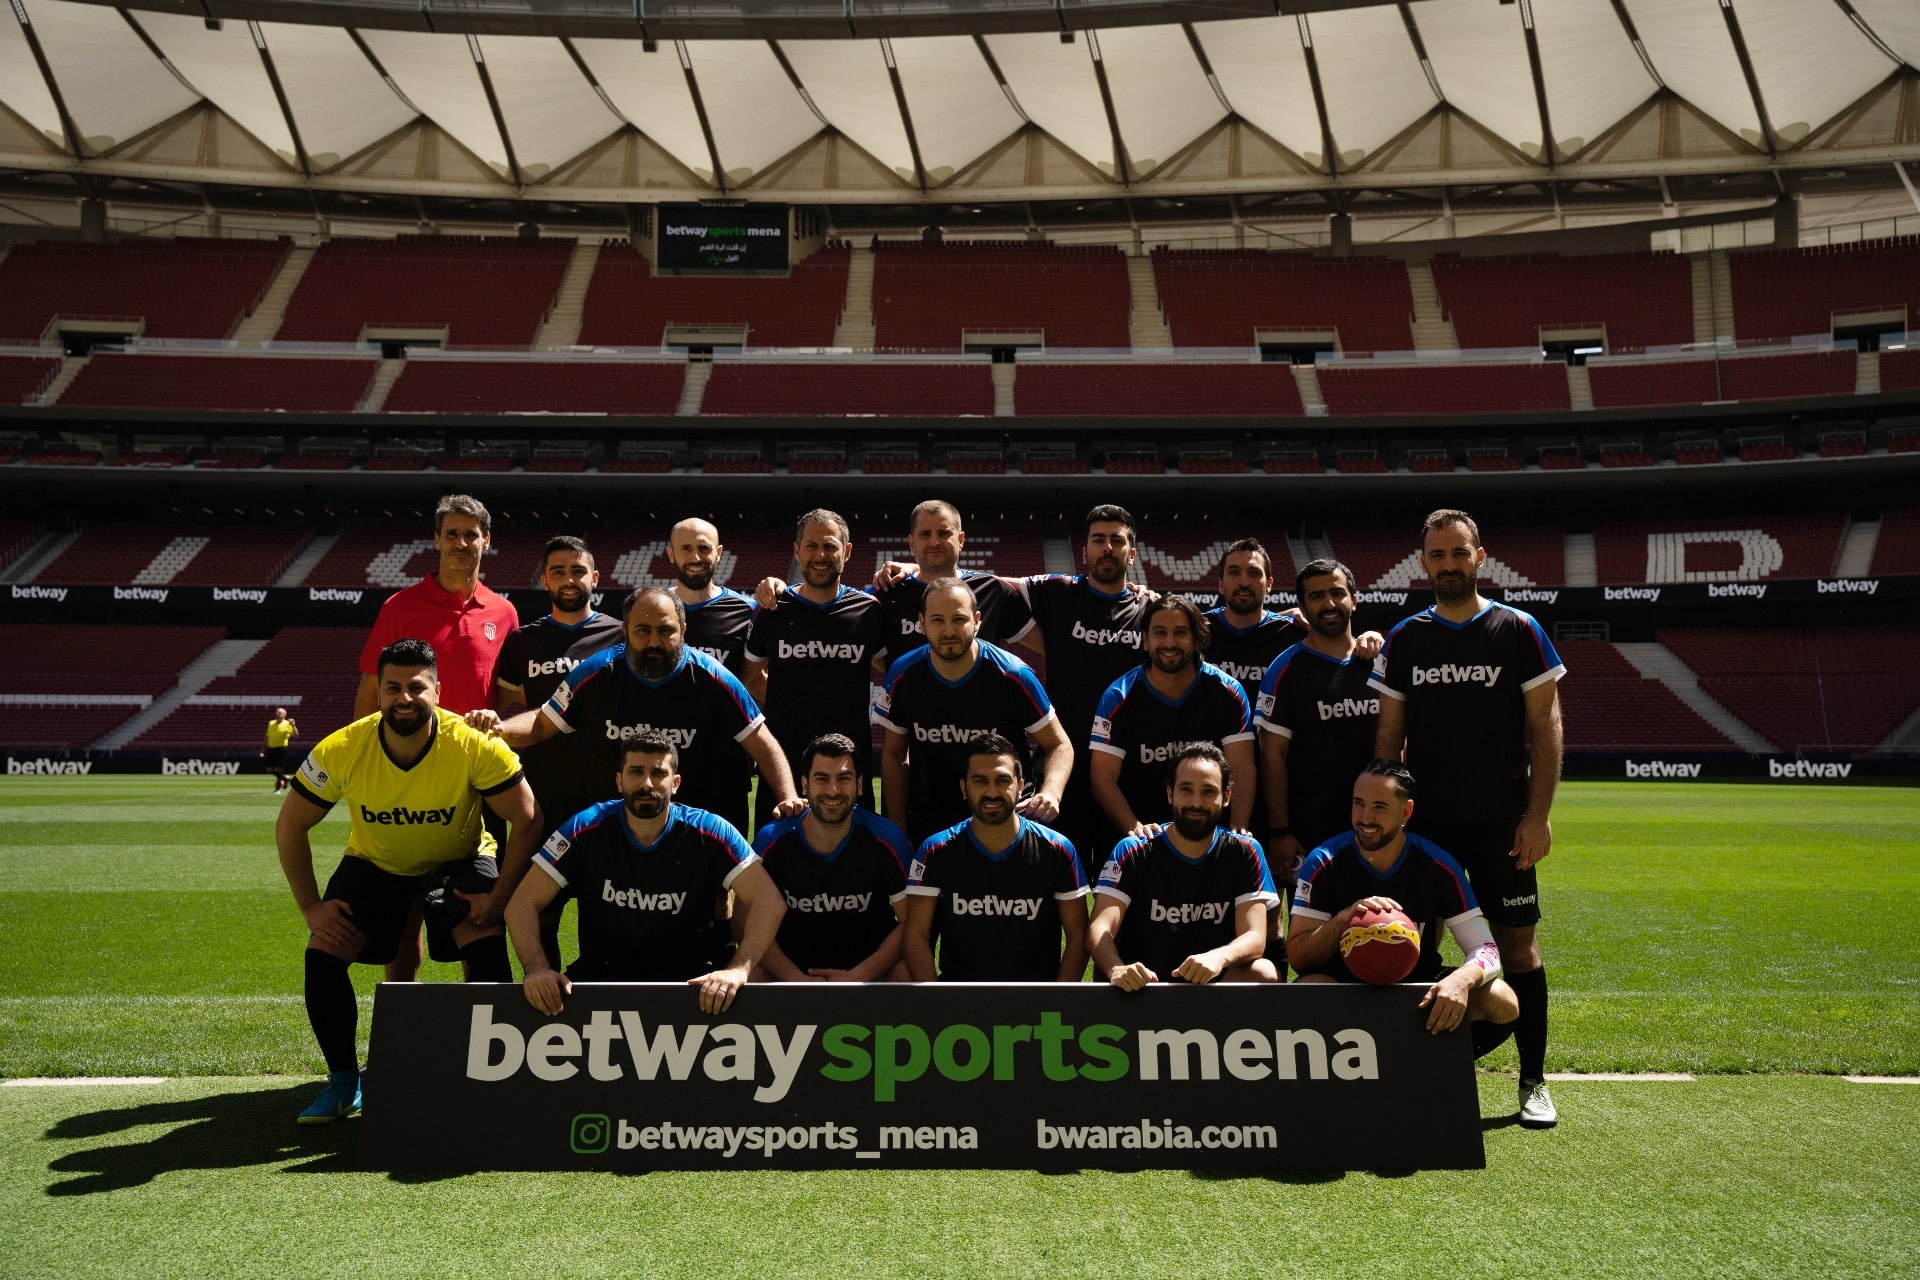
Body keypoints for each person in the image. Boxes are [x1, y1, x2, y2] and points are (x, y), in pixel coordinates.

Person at [277, 638, 541, 1124]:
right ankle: (343, 1082)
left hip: (459, 861)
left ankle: (490, 1078)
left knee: (485, 945)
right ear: (378, 692)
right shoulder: (342, 748)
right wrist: (311, 907)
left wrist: (500, 900)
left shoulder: (472, 743)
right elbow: (290, 825)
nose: (404, 698)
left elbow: (528, 818)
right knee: (323, 955)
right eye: (393, 687)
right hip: (376, 864)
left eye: (417, 687)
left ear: (437, 691)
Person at [1370, 508, 1565, 1128]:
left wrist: (1537, 816)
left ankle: (1533, 1082)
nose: (1448, 564)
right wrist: (1387, 819)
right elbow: (1389, 738)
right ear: (1423, 563)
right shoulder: (1406, 637)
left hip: (1502, 825)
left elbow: (1546, 726)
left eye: (1459, 553)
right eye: (1437, 555)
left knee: (1518, 949)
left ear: (1480, 557)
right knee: (1408, 945)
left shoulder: (1519, 629)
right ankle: (1410, 1072)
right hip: (1426, 828)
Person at [469, 586, 802, 833]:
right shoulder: (596, 673)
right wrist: (500, 728)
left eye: (665, 630)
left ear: (683, 631)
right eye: (643, 631)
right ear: (625, 631)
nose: (654, 642)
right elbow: (543, 723)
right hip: (612, 824)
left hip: (690, 824)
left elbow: (762, 743)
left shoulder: (714, 678)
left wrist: (787, 796)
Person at [353, 494, 519, 982]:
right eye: (452, 534)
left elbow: (507, 698)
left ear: (486, 541)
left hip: (478, 779)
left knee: (475, 914)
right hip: (407, 775)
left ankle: (477, 1026)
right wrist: (368, 767)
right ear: (436, 540)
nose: (461, 543)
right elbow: (370, 693)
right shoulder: (400, 607)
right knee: (402, 919)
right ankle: (405, 1021)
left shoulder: (504, 612)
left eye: (471, 534)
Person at [503, 732, 784, 1017]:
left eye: (658, 773)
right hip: (601, 983)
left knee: (754, 984)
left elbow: (768, 900)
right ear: (619, 781)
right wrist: (537, 968)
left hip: (693, 988)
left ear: (675, 784)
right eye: (636, 772)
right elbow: (521, 904)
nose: (647, 783)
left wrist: (739, 968)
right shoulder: (583, 828)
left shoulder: (710, 830)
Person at [1288, 759, 1520, 1055]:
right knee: (1306, 991)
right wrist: (1345, 918)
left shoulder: (1438, 865)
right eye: (1358, 804)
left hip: (1417, 991)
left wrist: (1461, 980)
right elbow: (1299, 959)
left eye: (1379, 807)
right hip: (1345, 991)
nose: (1365, 817)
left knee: (1501, 999)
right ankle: (1345, 1072)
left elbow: (1486, 948)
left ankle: (1434, 1065)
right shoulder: (1324, 861)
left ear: (1406, 811)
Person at [491, 535, 622, 967]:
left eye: (578, 571)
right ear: (544, 580)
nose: (569, 579)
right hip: (544, 794)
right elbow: (503, 706)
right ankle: (547, 989)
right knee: (541, 909)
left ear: (595, 578)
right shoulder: (522, 642)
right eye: (559, 572)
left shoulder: (620, 636)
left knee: (604, 909)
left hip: (605, 795)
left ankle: (595, 993)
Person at [872, 576, 1072, 847]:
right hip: (932, 822)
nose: (949, 631)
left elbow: (1059, 744)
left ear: (977, 620)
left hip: (1006, 818)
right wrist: (897, 822)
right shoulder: (902, 674)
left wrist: (1051, 792)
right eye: (937, 620)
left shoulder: (1014, 675)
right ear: (922, 622)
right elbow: (895, 753)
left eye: (959, 619)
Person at [1013, 504, 1158, 870]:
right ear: (1084, 551)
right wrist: (917, 570)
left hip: (1129, 775)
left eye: (1116, 540)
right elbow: (986, 584)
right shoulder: (1057, 593)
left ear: (1132, 553)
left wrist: (1287, 616)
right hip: (1063, 770)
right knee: (1058, 881)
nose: (1107, 548)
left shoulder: (1152, 612)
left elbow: (1214, 626)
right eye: (1098, 540)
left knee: (1129, 881)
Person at [1089, 743, 1280, 989]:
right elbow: (1100, 927)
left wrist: (1218, 957)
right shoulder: (1132, 850)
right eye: (1186, 789)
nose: (1196, 802)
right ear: (1170, 794)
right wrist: (1117, 968)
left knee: (1264, 972)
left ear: (1226, 797)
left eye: (1209, 791)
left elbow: (1254, 937)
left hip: (1210, 985)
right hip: (1143, 986)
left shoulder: (1245, 851)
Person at [903, 734, 1089, 981]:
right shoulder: (935, 851)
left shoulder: (1057, 850)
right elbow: (915, 934)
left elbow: (1078, 935)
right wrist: (938, 999)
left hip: (1035, 999)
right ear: (964, 788)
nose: (992, 792)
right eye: (980, 781)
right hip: (959, 1000)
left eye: (1002, 780)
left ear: (1020, 786)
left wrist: (1057, 998)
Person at [744, 509, 888, 829]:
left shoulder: (868, 611)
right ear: (797, 551)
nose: (820, 555)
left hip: (849, 768)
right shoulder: (773, 609)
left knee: (854, 856)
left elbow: (891, 669)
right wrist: (794, 697)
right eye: (811, 546)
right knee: (777, 854)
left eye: (830, 546)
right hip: (783, 768)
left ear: (847, 551)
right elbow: (749, 677)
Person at [750, 733, 913, 981]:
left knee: (905, 973)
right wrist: (795, 979)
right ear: (805, 785)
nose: (833, 790)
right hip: (793, 968)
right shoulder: (772, 840)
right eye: (822, 779)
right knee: (752, 977)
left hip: (867, 968)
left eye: (844, 778)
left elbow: (911, 923)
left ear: (860, 785)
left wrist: (859, 976)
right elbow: (744, 922)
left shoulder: (887, 839)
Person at [1089, 594, 1257, 837]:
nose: (1169, 642)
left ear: (1196, 639)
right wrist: (1134, 827)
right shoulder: (1118, 697)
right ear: (1145, 640)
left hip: (1211, 834)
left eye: (1180, 632)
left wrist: (1238, 828)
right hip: (1143, 835)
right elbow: (1102, 779)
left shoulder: (1228, 692)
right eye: (1160, 632)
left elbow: (1241, 769)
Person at [1256, 557, 1380, 881]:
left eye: (1337, 593)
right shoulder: (1284, 670)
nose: (1329, 604)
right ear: (1302, 606)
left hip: (1377, 825)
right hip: (1309, 831)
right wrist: (1280, 830)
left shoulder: (1380, 664)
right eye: (1317, 596)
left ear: (1354, 600)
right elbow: (1272, 756)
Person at [866, 500, 1035, 651]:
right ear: (912, 543)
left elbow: (1044, 646)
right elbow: (881, 662)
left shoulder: (994, 591)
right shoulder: (884, 596)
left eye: (943, 533)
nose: (934, 542)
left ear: (961, 540)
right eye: (925, 534)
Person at [1202, 538, 1305, 707]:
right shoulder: (1196, 630)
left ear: (1269, 584)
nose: (1244, 582)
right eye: (1234, 572)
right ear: (1221, 584)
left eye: (1254, 573)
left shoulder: (1294, 633)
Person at [669, 516, 757, 680]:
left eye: (704, 548)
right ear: (671, 554)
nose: (696, 558)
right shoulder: (650, 609)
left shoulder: (748, 611)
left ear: (718, 553)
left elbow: (755, 679)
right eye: (686, 548)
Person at [263, 707, 299, 793]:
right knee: (269, 769)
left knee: (279, 769)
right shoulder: (271, 723)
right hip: (271, 748)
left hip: (281, 749)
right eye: (276, 712)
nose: (277, 713)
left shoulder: (288, 724)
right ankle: (285, 778)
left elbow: (296, 735)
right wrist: (262, 748)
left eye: (279, 712)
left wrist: (293, 725)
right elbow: (267, 736)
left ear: (284, 715)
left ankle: (278, 788)